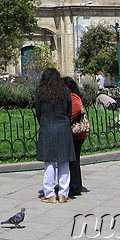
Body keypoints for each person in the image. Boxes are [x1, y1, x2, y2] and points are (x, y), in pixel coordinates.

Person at [35, 68, 76, 203]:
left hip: (48, 127)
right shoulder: (65, 91)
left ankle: (50, 194)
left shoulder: (41, 92)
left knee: (49, 163)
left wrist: (45, 122)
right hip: (63, 127)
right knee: (64, 162)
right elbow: (69, 111)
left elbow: (38, 112)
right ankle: (64, 193)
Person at [62, 77, 89, 197]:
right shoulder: (73, 96)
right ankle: (75, 184)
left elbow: (76, 110)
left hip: (76, 134)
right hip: (77, 134)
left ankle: (75, 186)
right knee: (74, 160)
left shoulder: (73, 97)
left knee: (73, 160)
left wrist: (67, 120)